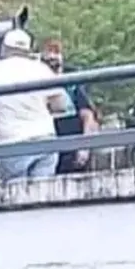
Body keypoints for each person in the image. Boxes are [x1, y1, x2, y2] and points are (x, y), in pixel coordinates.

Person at [0, 29, 70, 180]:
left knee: (14, 197)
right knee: (42, 195)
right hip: (46, 139)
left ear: (4, 48)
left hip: (14, 141)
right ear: (28, 50)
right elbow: (60, 105)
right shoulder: (41, 69)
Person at [41, 40, 100, 173]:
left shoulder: (72, 83)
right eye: (47, 59)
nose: (51, 62)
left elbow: (88, 116)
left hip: (72, 148)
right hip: (47, 148)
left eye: (55, 57)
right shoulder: (37, 83)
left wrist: (84, 147)